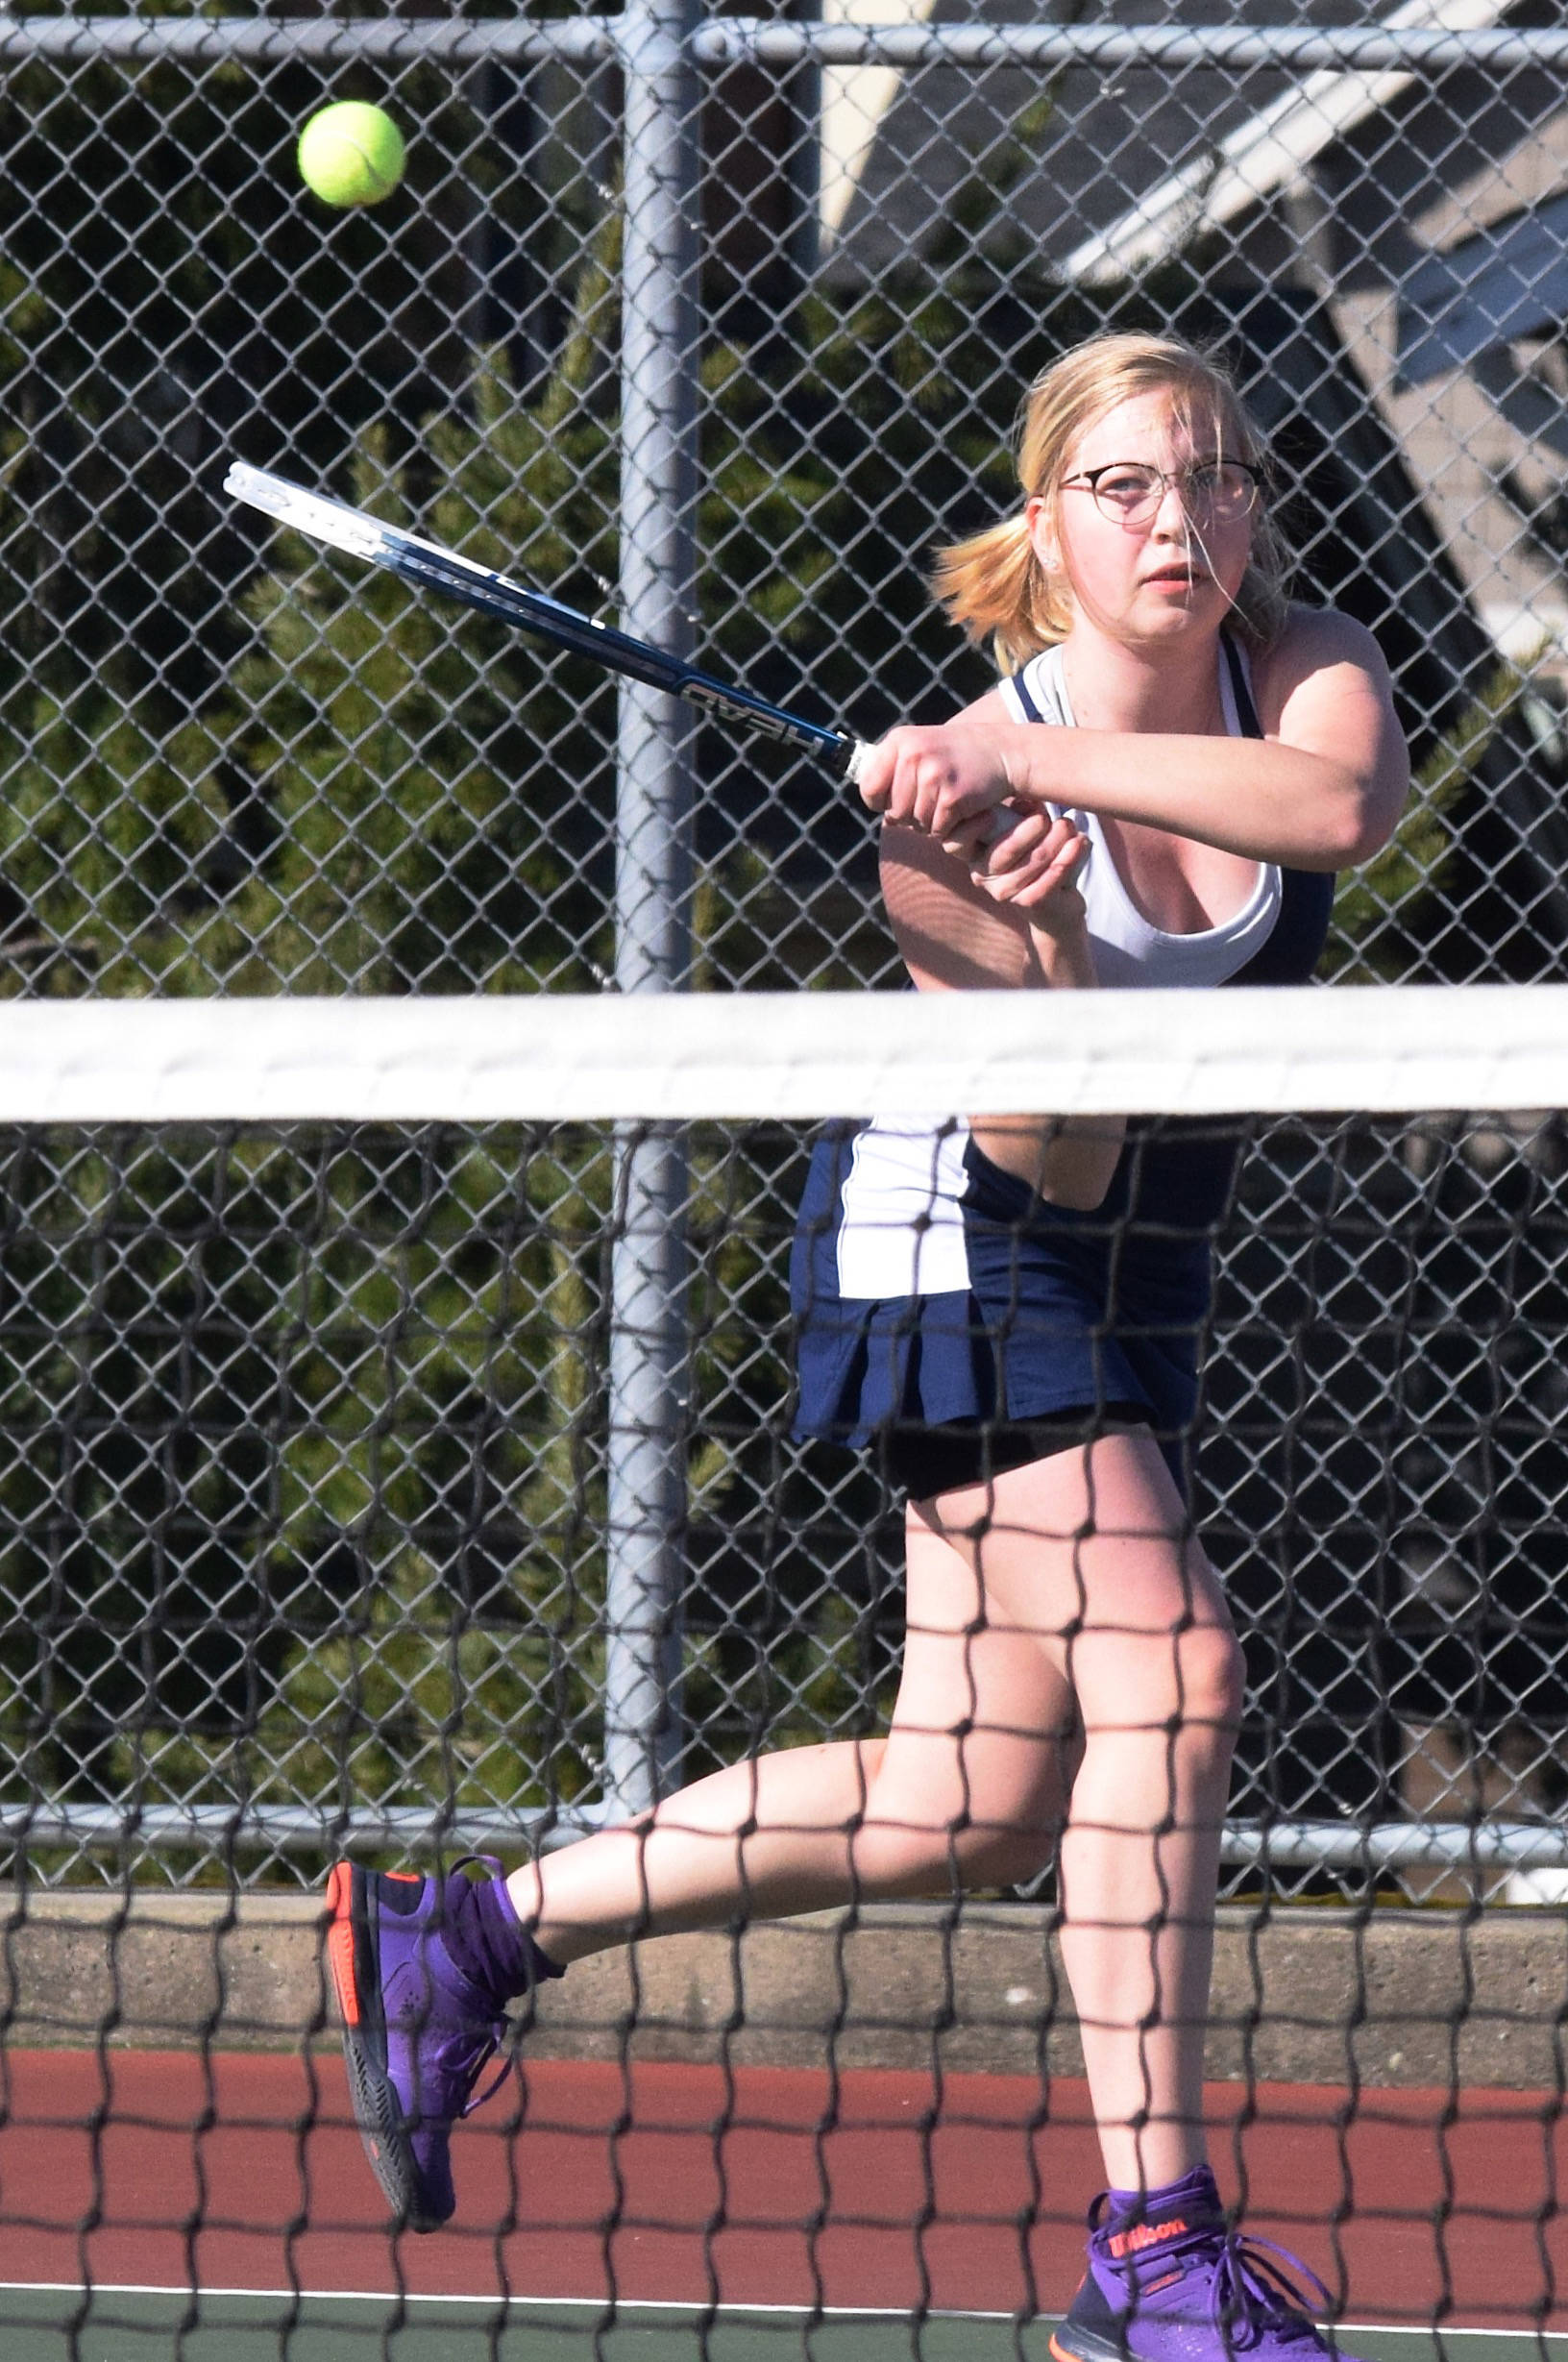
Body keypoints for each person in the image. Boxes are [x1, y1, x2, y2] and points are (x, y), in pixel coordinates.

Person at [324, 332, 1409, 2360]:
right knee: (1173, 1660)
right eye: (1124, 486)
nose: (1180, 519)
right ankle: (1155, 2243)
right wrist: (1048, 932)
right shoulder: (943, 820)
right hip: (960, 1238)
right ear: (1046, 527)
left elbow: (1338, 804)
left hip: (1142, 1264)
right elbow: (1048, 1156)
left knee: (963, 1799)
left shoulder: (1308, 668)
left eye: (1215, 477)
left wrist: (1035, 774)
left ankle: (460, 1937)